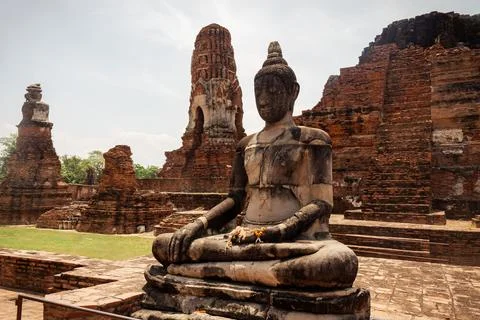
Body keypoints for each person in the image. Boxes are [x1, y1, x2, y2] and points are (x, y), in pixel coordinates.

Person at [152, 41, 358, 289]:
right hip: (243, 240)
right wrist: (198, 224)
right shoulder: (245, 145)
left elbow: (321, 203)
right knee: (165, 245)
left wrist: (277, 232)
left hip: (291, 242)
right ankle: (257, 274)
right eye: (258, 91)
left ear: (293, 91)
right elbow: (235, 199)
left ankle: (219, 273)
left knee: (336, 262)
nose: (263, 99)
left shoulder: (312, 139)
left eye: (272, 90)